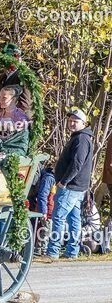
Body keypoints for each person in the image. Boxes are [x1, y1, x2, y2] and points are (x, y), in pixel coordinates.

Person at [43, 109, 95, 260]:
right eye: (70, 120)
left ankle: (52, 251)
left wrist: (63, 181)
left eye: (75, 121)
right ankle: (72, 251)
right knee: (74, 219)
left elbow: (77, 164)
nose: (72, 123)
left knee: (58, 217)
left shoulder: (81, 139)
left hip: (70, 186)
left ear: (84, 123)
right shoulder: (80, 137)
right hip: (77, 187)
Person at [0, 85, 30, 157]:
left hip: (12, 153)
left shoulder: (21, 118)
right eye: (0, 97)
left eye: (4, 98)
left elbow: (21, 143)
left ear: (13, 99)